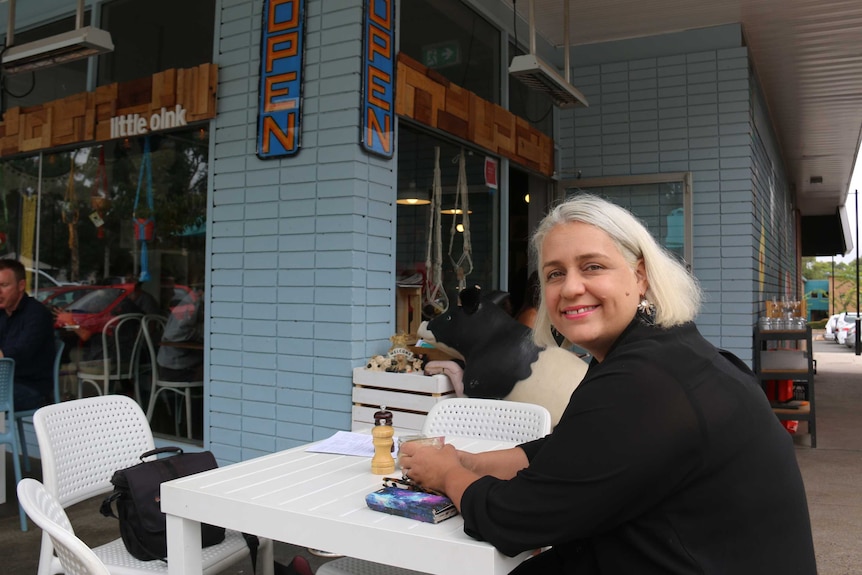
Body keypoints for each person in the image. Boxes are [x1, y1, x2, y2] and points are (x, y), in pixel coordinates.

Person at [400, 194, 817, 574]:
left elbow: (513, 520)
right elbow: (574, 449)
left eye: (592, 266)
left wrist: (446, 474)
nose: (571, 288)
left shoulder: (647, 381)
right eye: (554, 274)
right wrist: (473, 463)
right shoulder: (662, 352)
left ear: (639, 276)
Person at [0, 259, 56, 410]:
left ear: (21, 286)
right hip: (5, 384)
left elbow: (20, 352)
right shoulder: (2, 313)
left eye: (4, 285)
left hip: (32, 388)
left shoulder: (37, 314)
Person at [157, 285, 204, 381]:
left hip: (172, 363)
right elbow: (172, 334)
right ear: (200, 293)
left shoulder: (190, 303)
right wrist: (200, 334)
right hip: (174, 366)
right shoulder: (190, 306)